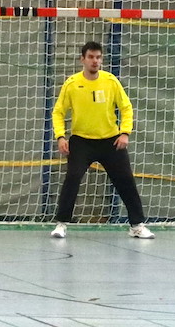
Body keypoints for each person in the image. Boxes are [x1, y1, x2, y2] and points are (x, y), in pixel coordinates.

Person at [49, 41, 154, 239]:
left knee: (126, 181)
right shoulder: (72, 84)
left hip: (110, 141)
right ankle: (61, 224)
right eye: (91, 57)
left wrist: (125, 132)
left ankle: (137, 225)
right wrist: (60, 136)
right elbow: (58, 112)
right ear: (82, 59)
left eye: (98, 57)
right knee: (72, 178)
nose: (95, 61)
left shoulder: (111, 81)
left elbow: (126, 108)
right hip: (81, 141)